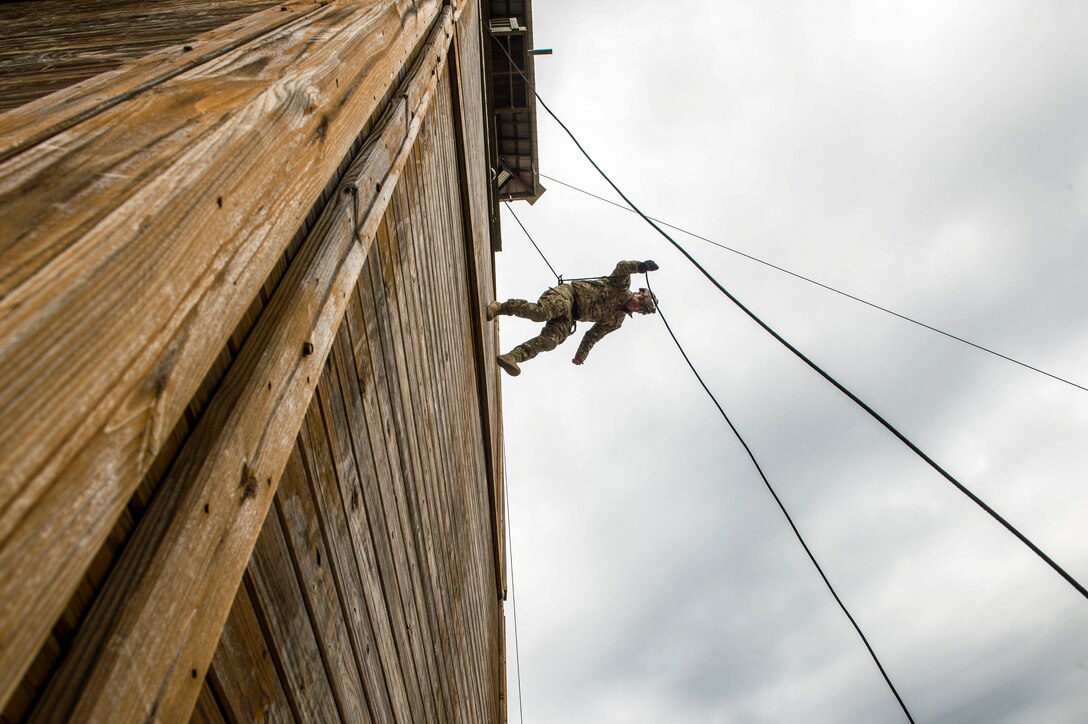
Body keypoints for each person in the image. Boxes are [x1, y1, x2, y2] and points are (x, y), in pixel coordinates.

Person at [486, 259, 660, 376]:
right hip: (568, 295)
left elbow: (593, 335)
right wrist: (640, 267)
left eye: (641, 308)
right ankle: (500, 307)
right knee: (542, 312)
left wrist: (581, 356)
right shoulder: (621, 285)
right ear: (638, 293)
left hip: (571, 317)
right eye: (640, 301)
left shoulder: (615, 321)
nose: (638, 306)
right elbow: (622, 267)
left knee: (551, 341)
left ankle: (512, 357)